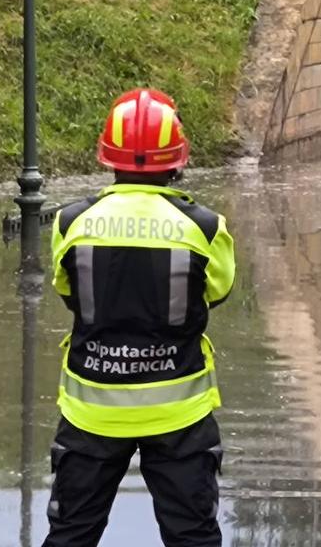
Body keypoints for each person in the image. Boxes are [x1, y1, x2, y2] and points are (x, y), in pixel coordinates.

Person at [42, 88, 235, 547]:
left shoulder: (72, 221)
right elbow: (219, 291)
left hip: (92, 410)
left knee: (71, 533)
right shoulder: (205, 226)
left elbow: (65, 289)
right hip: (179, 412)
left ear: (107, 156)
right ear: (179, 158)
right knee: (192, 535)